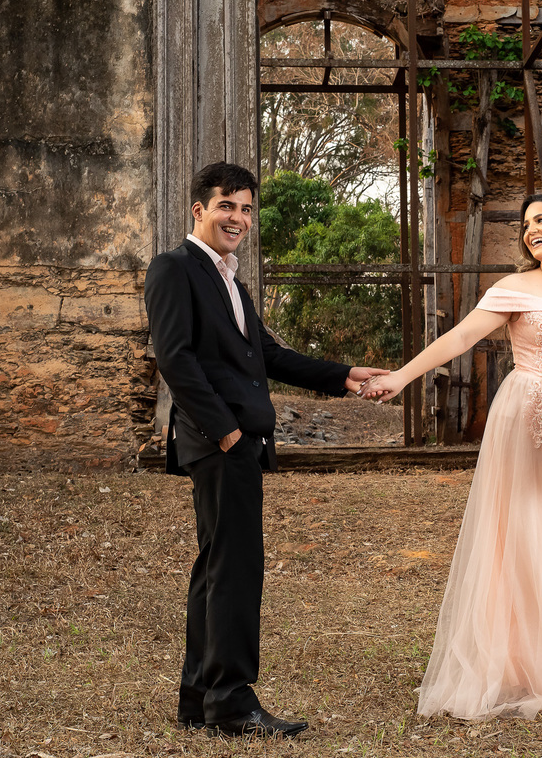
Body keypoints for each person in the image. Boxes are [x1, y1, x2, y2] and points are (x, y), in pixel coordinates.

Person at [362, 193, 542, 720]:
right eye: (526, 225)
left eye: (541, 220)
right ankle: (524, 663)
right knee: (527, 532)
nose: (530, 230)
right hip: (529, 422)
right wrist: (401, 377)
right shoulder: (513, 288)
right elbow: (460, 337)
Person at [144, 162, 386, 737]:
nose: (239, 218)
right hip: (220, 443)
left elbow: (266, 357)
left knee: (217, 569)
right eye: (228, 205)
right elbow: (174, 358)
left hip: (238, 443)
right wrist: (225, 430)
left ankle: (199, 696)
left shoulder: (232, 282)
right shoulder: (174, 268)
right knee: (235, 571)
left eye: (247, 208)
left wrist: (344, 374)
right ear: (200, 209)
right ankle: (231, 701)